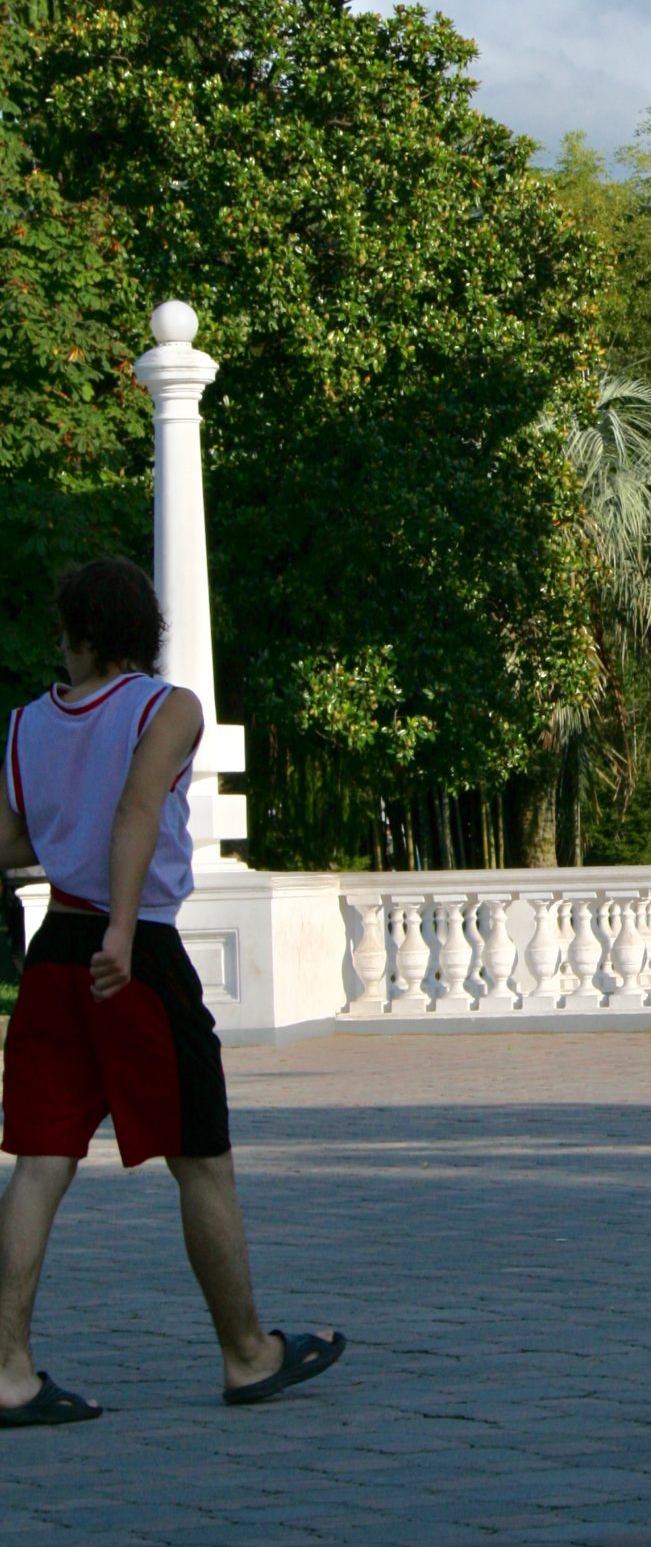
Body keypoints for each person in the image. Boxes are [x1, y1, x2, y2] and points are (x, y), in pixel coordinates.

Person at [0, 556, 346, 1428]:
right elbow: (137, 813)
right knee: (201, 1158)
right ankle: (246, 1354)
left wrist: (70, 860)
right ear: (141, 631)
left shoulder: (22, 727)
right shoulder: (168, 707)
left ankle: (7, 1369)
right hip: (136, 953)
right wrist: (120, 928)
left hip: (52, 956)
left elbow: (11, 842)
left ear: (77, 631)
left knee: (40, 1162)